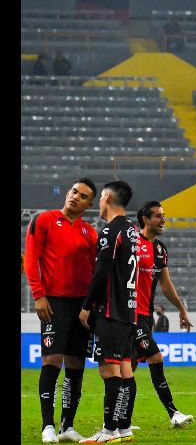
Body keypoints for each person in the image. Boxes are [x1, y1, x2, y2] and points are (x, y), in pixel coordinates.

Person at [24, 178, 98, 443]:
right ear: (68, 193)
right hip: (53, 303)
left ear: (89, 204)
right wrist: (39, 295)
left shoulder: (90, 233)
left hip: (81, 307)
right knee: (51, 361)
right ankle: (48, 426)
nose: (75, 196)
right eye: (74, 191)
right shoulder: (44, 220)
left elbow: (95, 272)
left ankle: (67, 425)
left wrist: (92, 306)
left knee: (76, 364)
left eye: (83, 196)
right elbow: (31, 258)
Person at [77, 181, 139, 443]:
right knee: (125, 369)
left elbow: (101, 271)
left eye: (100, 197)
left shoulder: (110, 231)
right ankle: (123, 428)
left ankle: (108, 429)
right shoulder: (133, 231)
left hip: (111, 309)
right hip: (129, 311)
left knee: (108, 370)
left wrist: (86, 306)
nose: (99, 203)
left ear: (108, 198)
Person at [132, 201, 195, 428]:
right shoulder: (131, 243)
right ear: (145, 219)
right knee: (155, 357)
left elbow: (166, 285)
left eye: (163, 215)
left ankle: (118, 422)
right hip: (129, 315)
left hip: (145, 316)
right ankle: (173, 413)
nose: (163, 219)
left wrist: (181, 309)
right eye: (158, 216)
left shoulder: (160, 248)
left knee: (128, 368)